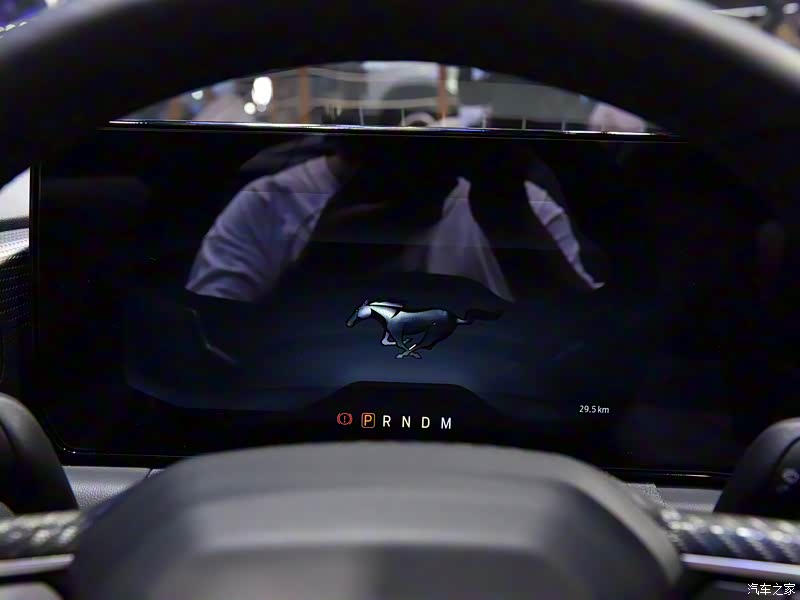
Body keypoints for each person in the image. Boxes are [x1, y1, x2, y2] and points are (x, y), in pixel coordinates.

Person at [186, 137, 605, 304]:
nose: (405, 134)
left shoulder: (519, 206)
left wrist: (507, 220)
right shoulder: (268, 203)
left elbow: (585, 348)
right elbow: (210, 348)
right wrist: (320, 267)